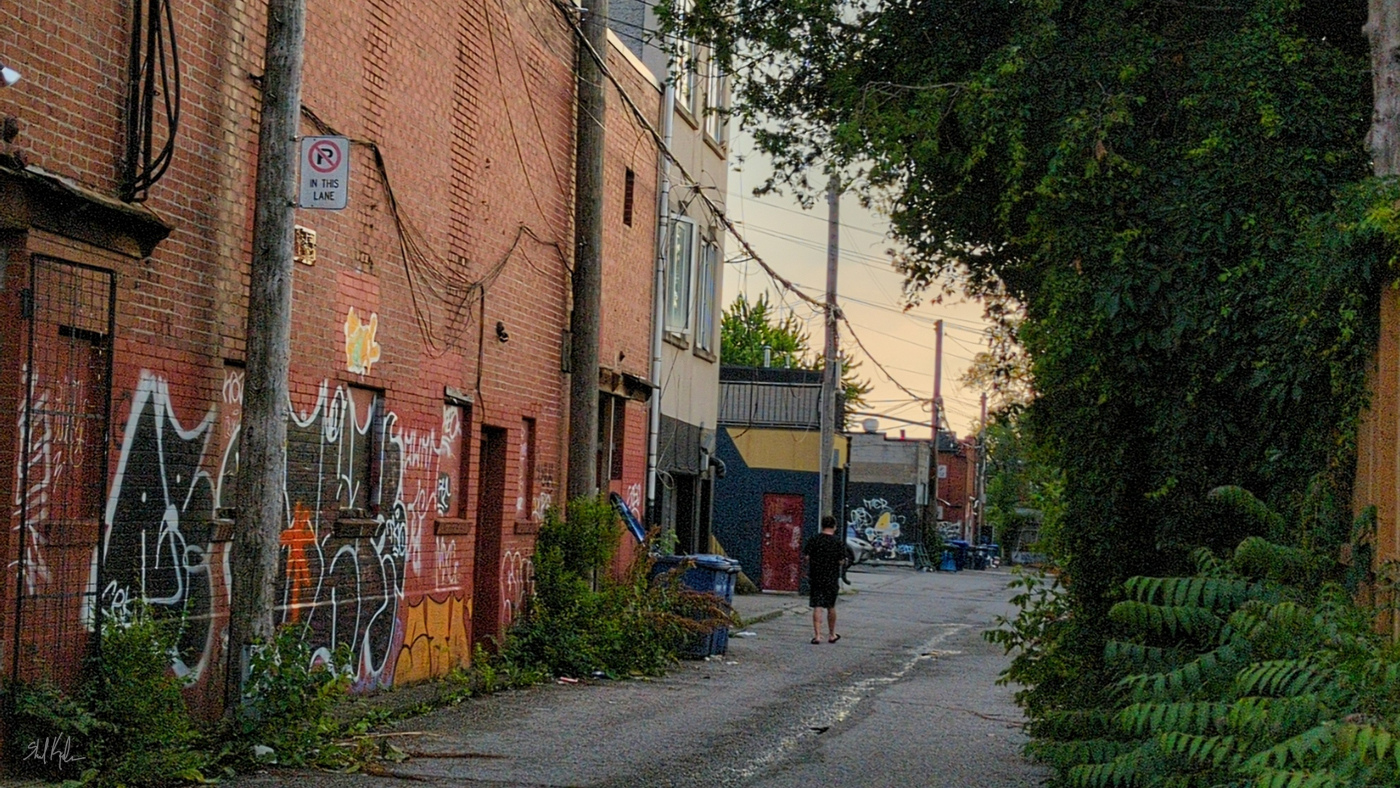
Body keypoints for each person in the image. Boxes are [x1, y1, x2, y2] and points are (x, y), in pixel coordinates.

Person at [803, 515, 847, 644]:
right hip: (831, 577)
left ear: (822, 525)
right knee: (830, 606)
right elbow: (841, 560)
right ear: (834, 526)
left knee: (817, 605)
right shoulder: (837, 542)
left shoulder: (814, 539)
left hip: (816, 576)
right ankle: (832, 634)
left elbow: (806, 557)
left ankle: (817, 635)